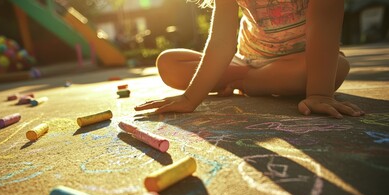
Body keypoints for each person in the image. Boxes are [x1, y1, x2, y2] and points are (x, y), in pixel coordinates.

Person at [134, 0, 365, 119]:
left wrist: (319, 94)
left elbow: (323, 26)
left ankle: (244, 82)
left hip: (298, 61)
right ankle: (249, 80)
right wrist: (189, 97)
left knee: (337, 68)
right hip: (247, 60)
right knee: (169, 63)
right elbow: (222, 40)